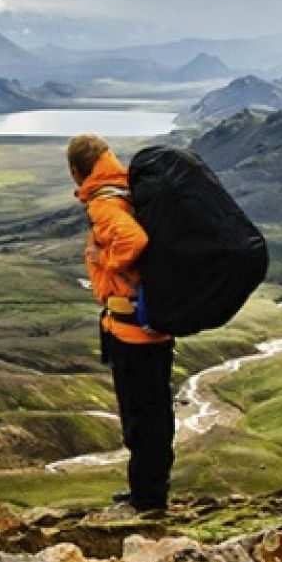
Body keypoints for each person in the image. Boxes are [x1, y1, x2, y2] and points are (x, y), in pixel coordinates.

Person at [68, 133, 175, 513]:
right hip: (145, 325)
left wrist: (106, 261)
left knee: (142, 416)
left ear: (77, 171)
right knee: (153, 412)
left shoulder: (105, 204)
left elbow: (133, 241)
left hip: (134, 332)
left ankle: (148, 501)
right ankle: (146, 491)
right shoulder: (125, 190)